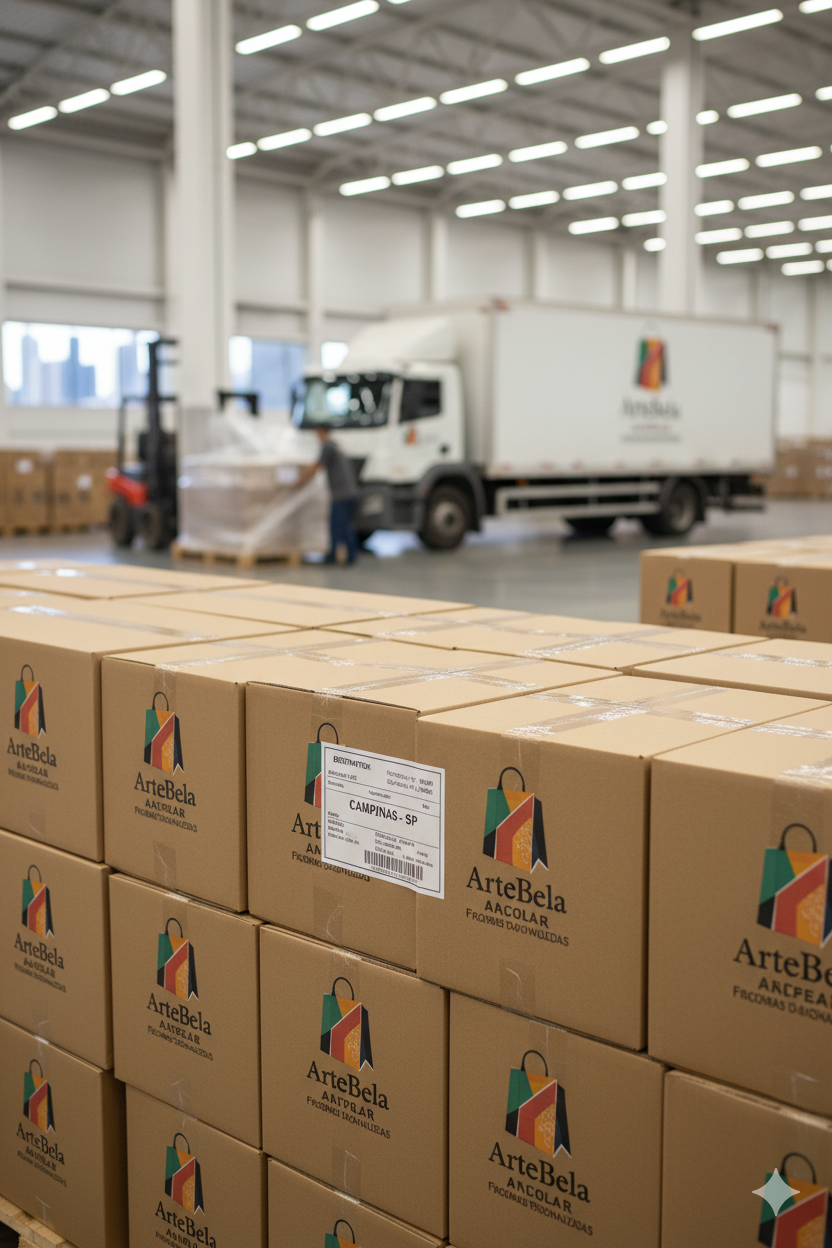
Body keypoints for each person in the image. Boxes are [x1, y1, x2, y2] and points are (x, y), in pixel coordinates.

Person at [298, 427, 360, 564]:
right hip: (349, 492)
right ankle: (351, 555)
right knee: (345, 525)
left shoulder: (328, 447)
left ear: (322, 432)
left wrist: (299, 480)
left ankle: (334, 557)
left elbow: (317, 466)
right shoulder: (337, 446)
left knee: (337, 526)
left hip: (341, 494)